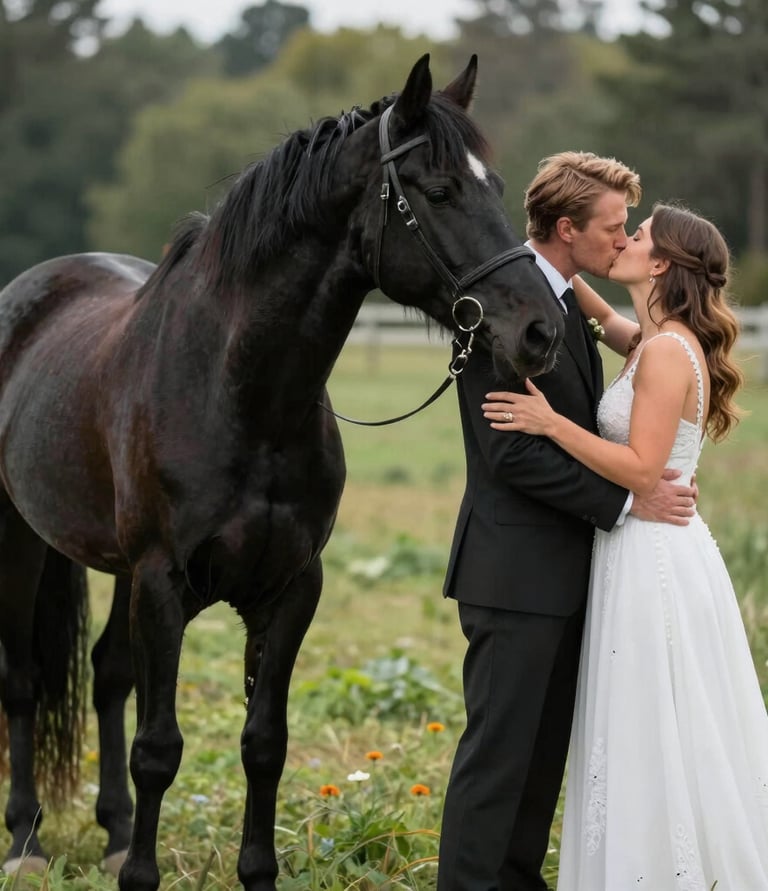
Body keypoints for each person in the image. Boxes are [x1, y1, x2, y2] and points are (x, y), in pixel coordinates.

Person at [483, 202, 768, 889]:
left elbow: (643, 470)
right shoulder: (648, 336)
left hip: (655, 558)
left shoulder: (669, 352)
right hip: (637, 550)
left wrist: (550, 423)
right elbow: (595, 309)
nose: (624, 238)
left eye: (637, 235)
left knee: (657, 722)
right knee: (642, 718)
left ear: (663, 261)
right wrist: (544, 248)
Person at [437, 152, 697, 891]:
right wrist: (625, 501)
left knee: (542, 756)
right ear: (565, 227)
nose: (623, 239)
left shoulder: (556, 296)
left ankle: (517, 879)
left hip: (567, 576)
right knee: (497, 759)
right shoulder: (502, 313)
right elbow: (509, 456)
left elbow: (616, 334)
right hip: (514, 575)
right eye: (614, 228)